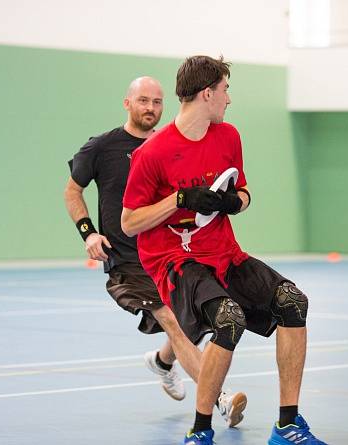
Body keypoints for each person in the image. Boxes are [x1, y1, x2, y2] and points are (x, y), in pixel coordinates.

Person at [121, 58, 328, 445]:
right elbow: (130, 222)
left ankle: (286, 425)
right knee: (228, 319)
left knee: (292, 301)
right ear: (207, 94)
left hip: (224, 252)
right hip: (175, 260)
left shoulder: (228, 136)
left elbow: (244, 190)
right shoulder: (154, 153)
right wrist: (179, 199)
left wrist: (235, 203)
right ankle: (200, 431)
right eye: (225, 90)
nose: (229, 99)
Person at [63, 76, 247, 428]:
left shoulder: (171, 145)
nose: (151, 108)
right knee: (173, 320)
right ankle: (218, 399)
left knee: (200, 322)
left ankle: (162, 362)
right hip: (127, 261)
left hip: (172, 254)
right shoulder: (101, 147)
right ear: (127, 103)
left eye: (157, 102)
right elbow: (73, 190)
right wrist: (88, 234)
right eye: (144, 101)